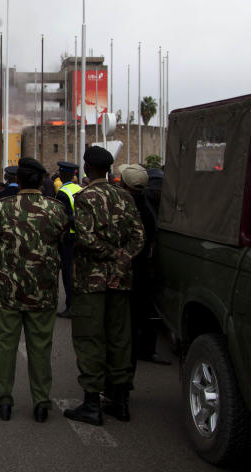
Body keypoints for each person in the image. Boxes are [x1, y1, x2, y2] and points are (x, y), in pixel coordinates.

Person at [63, 146, 145, 426]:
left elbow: (84, 238)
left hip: (91, 282)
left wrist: (110, 255)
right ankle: (120, 401)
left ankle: (91, 404)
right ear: (108, 169)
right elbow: (138, 236)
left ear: (88, 169)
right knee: (120, 339)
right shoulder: (125, 196)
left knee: (90, 339)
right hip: (120, 281)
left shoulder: (86, 197)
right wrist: (123, 259)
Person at [0, 157, 69, 423]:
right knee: (41, 347)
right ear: (42, 181)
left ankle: (4, 402)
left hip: (7, 290)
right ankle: (42, 403)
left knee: (5, 345)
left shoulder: (1, 208)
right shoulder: (56, 210)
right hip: (42, 290)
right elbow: (62, 242)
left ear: (18, 180)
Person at [116, 164, 168, 366]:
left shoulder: (132, 207)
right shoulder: (147, 205)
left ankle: (133, 355)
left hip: (132, 268)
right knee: (141, 313)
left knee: (131, 317)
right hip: (142, 267)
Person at [54, 161, 81, 318]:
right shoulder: (79, 189)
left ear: (63, 174)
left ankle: (70, 306)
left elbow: (63, 216)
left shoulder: (63, 192)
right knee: (77, 273)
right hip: (80, 236)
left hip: (68, 237)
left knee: (68, 273)